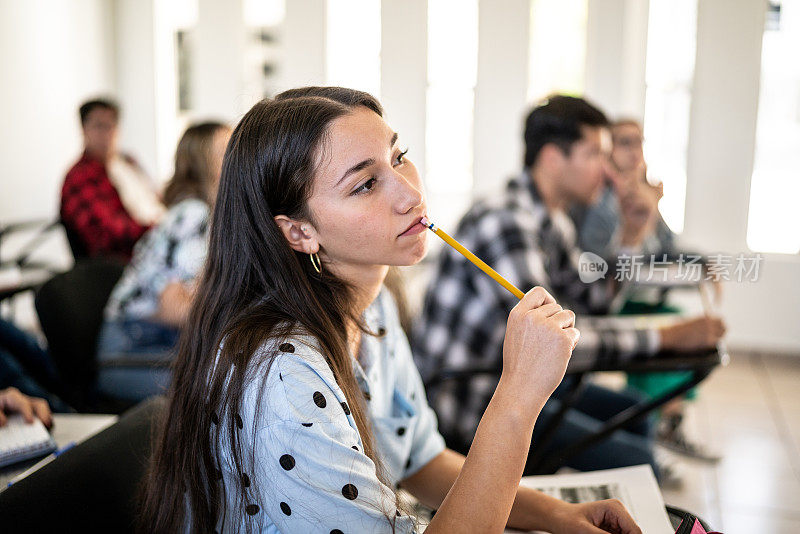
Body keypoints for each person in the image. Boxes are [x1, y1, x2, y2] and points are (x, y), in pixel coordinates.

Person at [141, 87, 642, 533]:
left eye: (399, 158)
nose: (409, 194)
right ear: (299, 231)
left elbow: (420, 460)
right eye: (365, 184)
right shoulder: (283, 377)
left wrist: (555, 515)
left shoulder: (373, 301)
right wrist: (518, 397)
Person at [412, 95, 726, 481]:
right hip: (473, 403)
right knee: (638, 458)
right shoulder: (505, 222)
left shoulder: (552, 220)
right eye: (595, 154)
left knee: (636, 414)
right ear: (552, 158)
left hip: (514, 380)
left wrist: (630, 234)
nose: (609, 172)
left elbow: (590, 303)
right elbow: (551, 340)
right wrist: (664, 337)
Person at [574, 118, 719, 462]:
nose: (634, 150)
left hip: (639, 298)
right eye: (624, 142)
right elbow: (593, 265)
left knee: (684, 324)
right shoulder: (598, 198)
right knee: (670, 330)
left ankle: (665, 424)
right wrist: (629, 222)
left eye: (638, 141)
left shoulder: (646, 193)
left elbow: (668, 245)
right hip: (607, 305)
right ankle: (656, 430)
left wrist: (705, 262)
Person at [95, 122, 231, 402]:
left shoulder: (203, 213)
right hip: (129, 355)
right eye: (226, 151)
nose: (238, 157)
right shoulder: (193, 214)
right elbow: (174, 309)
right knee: (227, 388)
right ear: (202, 165)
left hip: (152, 344)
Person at [60, 98, 165, 260]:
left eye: (112, 124)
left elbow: (155, 199)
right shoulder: (81, 176)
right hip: (121, 263)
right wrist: (158, 229)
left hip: (152, 247)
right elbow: (107, 235)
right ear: (84, 129)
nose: (108, 132)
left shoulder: (128, 162)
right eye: (99, 126)